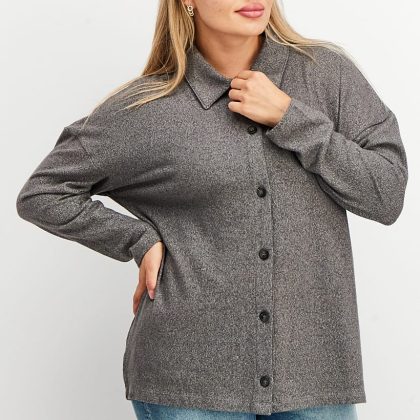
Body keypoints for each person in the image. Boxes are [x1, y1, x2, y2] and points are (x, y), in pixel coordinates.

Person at [16, 0, 408, 419]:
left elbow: (386, 195)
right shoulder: (148, 109)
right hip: (188, 381)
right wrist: (138, 240)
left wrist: (289, 118)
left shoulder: (325, 75)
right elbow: (43, 193)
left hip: (315, 373)